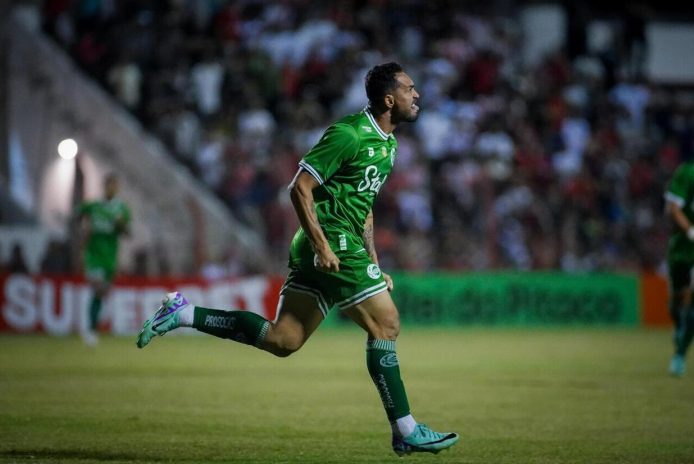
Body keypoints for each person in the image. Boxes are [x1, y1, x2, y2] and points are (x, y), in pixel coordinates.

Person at [137, 62, 459, 455]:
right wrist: (323, 245)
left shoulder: (388, 144)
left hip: (338, 242)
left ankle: (183, 314)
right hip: (329, 240)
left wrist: (374, 258)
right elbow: (299, 187)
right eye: (410, 89)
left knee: (283, 339)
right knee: (387, 325)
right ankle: (406, 429)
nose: (417, 95)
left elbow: (363, 204)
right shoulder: (349, 134)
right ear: (390, 99)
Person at [77, 173, 131, 345]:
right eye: (109, 185)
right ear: (104, 186)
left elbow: (127, 233)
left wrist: (120, 225)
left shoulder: (122, 209)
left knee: (101, 294)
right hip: (93, 256)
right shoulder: (93, 206)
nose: (112, 189)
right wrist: (83, 233)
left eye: (115, 186)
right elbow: (77, 213)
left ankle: (91, 327)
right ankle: (89, 329)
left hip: (110, 258)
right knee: (98, 288)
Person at [664, 159, 694, 377]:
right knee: (677, 300)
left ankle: (680, 355)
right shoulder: (687, 173)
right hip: (682, 249)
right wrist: (692, 231)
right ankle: (678, 325)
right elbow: (673, 209)